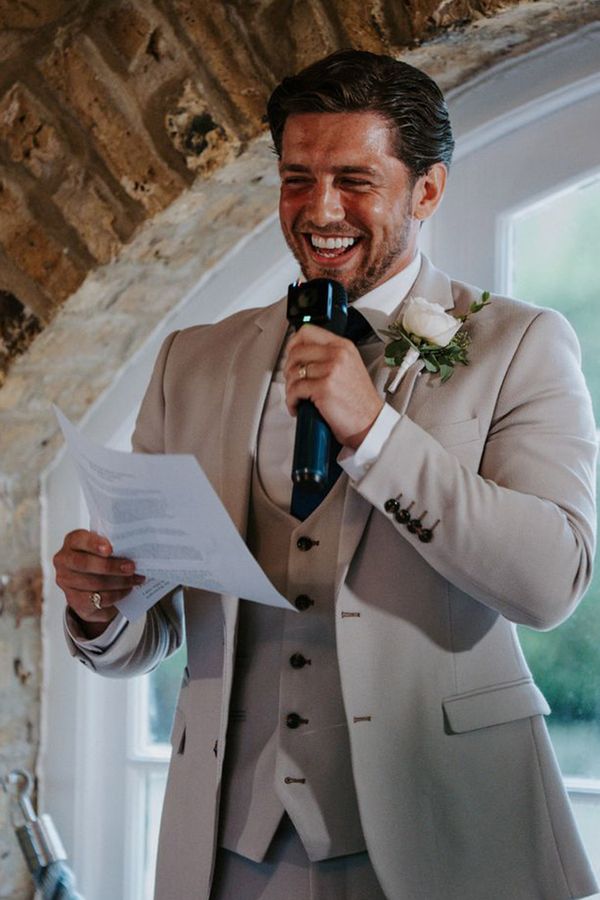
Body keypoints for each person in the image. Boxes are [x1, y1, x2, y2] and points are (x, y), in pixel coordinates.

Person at [53, 50, 599, 900]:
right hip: (232, 852)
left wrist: (376, 433)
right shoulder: (191, 362)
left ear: (427, 190)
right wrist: (102, 610)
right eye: (297, 180)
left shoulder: (521, 345)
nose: (321, 210)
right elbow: (160, 623)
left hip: (450, 836)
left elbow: (550, 582)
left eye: (355, 179)